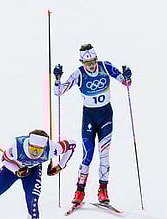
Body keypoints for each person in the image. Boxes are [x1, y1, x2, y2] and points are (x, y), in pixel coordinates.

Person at [53, 43, 132, 206]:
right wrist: (57, 79)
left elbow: (126, 83)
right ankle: (79, 191)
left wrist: (127, 76)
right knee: (87, 156)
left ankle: (103, 191)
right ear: (82, 62)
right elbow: (59, 92)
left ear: (96, 58)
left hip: (106, 117)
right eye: (87, 62)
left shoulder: (105, 66)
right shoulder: (78, 74)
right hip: (89, 118)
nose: (91, 65)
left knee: (104, 155)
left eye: (93, 61)